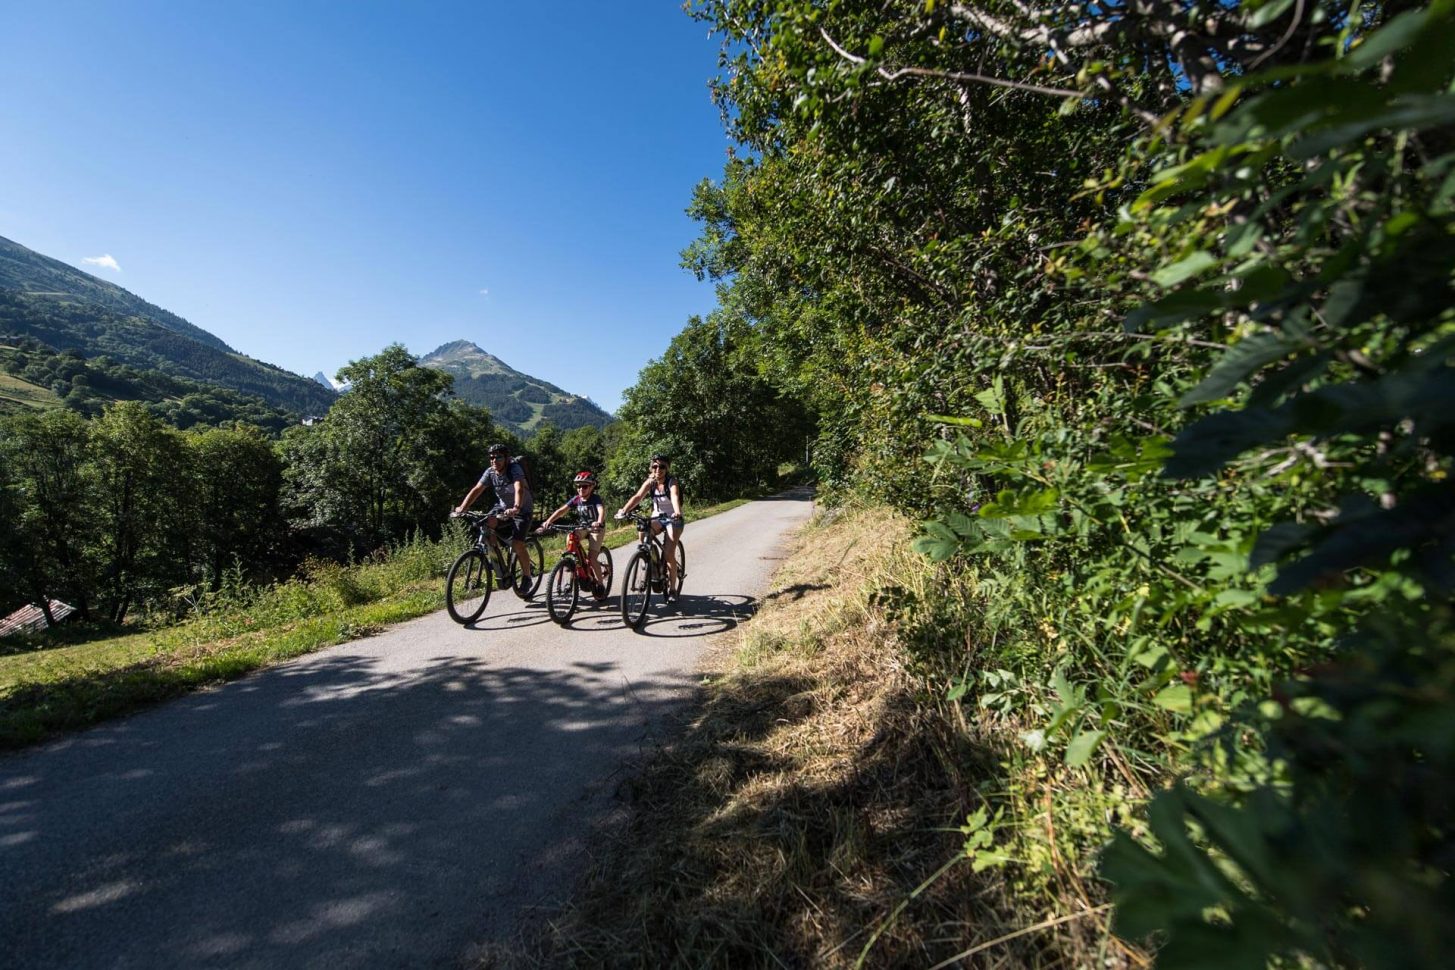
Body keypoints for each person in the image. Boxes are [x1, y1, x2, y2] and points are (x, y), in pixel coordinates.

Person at [453, 443, 534, 597]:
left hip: (522, 509)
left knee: (517, 544)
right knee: (486, 523)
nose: (494, 460)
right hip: (503, 507)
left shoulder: (514, 469)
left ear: (506, 458)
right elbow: (477, 489)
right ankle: (499, 562)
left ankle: (527, 577)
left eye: (498, 457)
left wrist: (516, 507)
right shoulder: (490, 472)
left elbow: (519, 488)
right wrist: (462, 507)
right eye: (491, 457)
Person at [617, 453, 683, 601]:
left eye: (661, 467)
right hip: (658, 516)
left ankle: (672, 590)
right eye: (654, 466)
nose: (658, 469)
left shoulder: (671, 482)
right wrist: (624, 510)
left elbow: (674, 496)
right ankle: (651, 559)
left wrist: (677, 512)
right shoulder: (650, 482)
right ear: (651, 468)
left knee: (668, 552)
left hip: (673, 517)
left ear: (667, 468)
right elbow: (637, 497)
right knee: (643, 531)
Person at [535, 470, 609, 600]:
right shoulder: (576, 499)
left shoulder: (595, 498)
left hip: (596, 529)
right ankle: (572, 561)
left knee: (592, 558)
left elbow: (601, 510)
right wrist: (548, 521)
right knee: (571, 536)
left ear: (592, 487)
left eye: (584, 486)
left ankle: (600, 584)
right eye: (578, 486)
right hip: (582, 527)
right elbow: (561, 511)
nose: (581, 489)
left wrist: (598, 522)